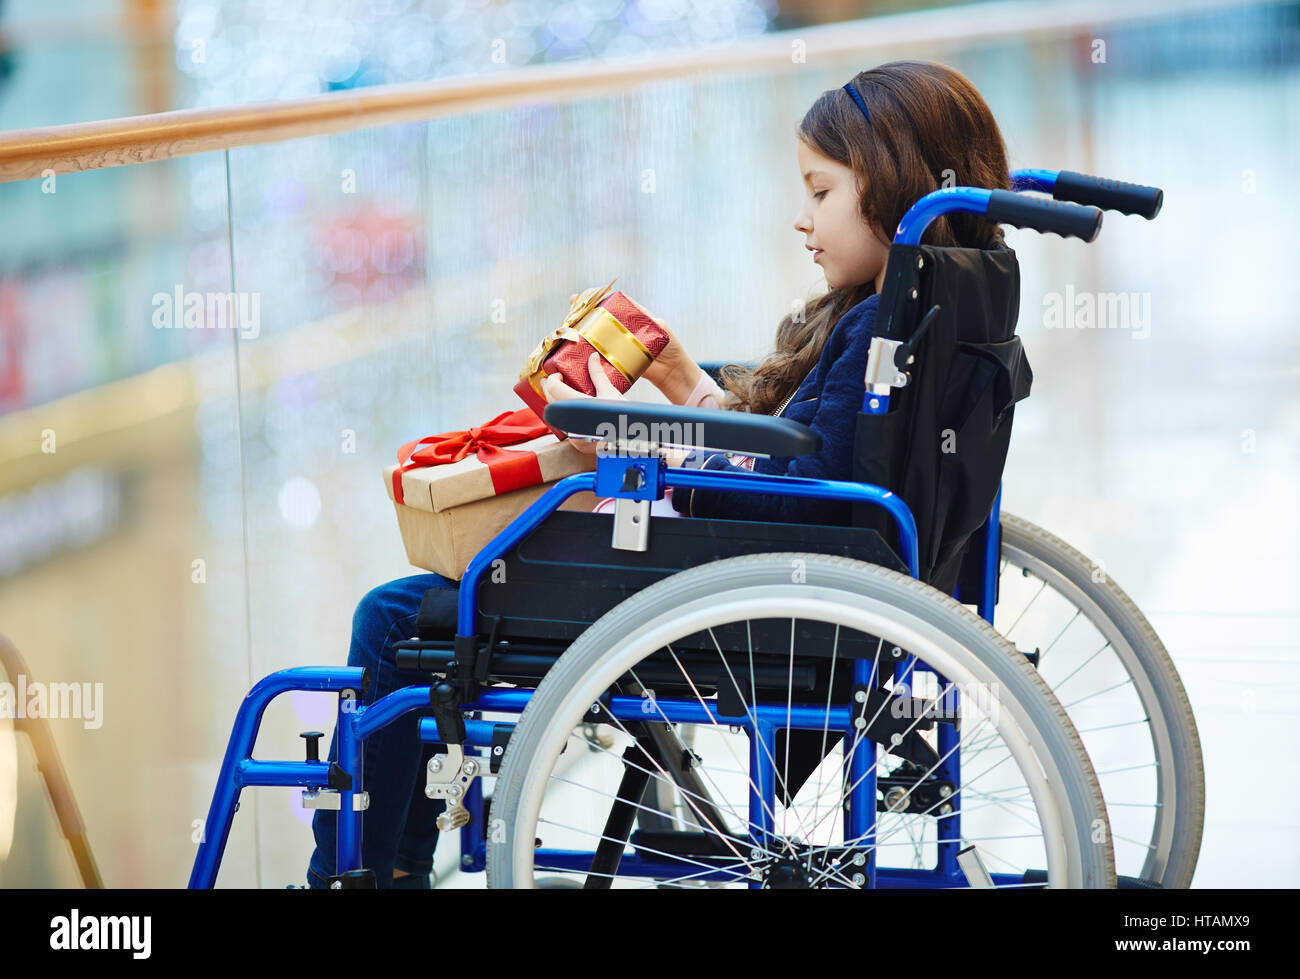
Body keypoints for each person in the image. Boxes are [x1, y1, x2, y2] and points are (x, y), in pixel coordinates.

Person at [305, 59, 1014, 888]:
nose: (802, 217)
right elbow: (802, 457)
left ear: (892, 187)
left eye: (821, 192)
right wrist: (678, 382)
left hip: (746, 598)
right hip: (804, 589)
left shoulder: (877, 328)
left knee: (397, 617)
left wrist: (641, 448)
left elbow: (799, 485)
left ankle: (373, 874)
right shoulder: (920, 311)